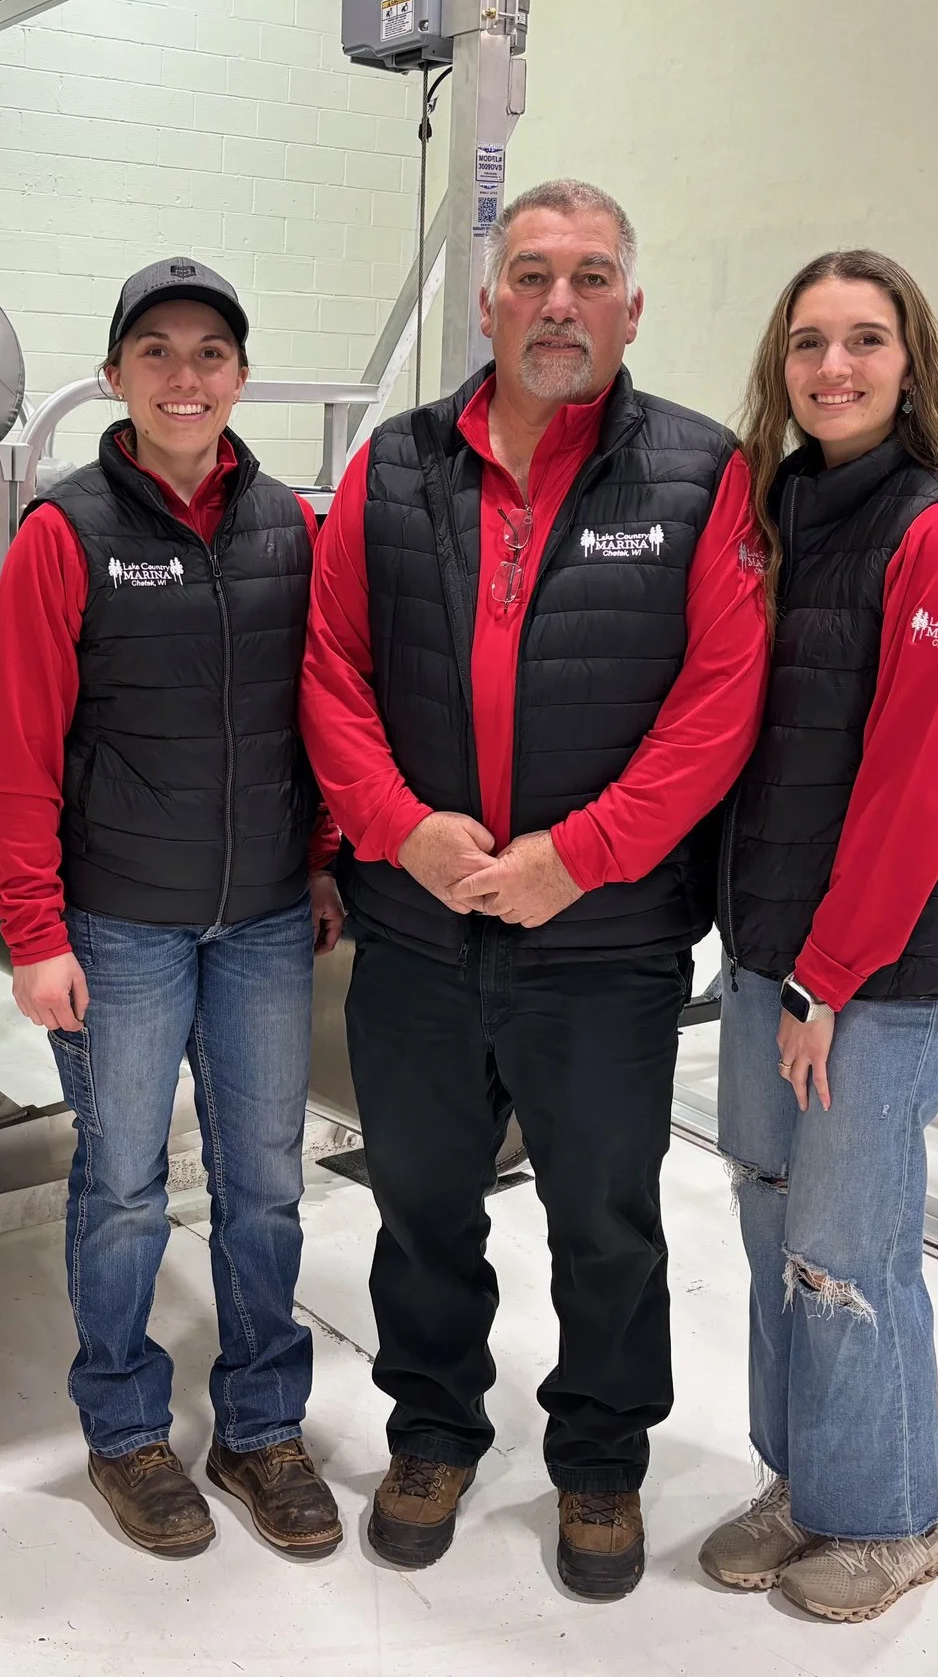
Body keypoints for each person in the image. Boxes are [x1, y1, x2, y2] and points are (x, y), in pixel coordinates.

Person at [299, 179, 770, 1598]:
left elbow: (720, 697)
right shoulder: (391, 470)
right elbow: (329, 668)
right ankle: (434, 1427)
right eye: (531, 275)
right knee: (422, 1204)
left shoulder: (703, 471)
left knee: (606, 1220)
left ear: (634, 307)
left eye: (591, 277)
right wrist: (399, 828)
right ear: (489, 300)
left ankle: (602, 1462)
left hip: (605, 939)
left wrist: (584, 854)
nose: (558, 301)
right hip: (417, 932)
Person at [696, 248, 938, 1621]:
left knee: (849, 1247)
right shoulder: (788, 505)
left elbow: (912, 787)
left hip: (883, 970)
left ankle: (892, 1515)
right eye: (807, 343)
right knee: (771, 1217)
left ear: (915, 361)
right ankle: (807, 1482)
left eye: (864, 340)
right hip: (780, 944)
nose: (832, 367)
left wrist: (831, 978)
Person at [0, 258, 348, 1562]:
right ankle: (127, 1429)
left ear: (240, 378)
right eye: (157, 351)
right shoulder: (62, 534)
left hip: (258, 923)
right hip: (122, 928)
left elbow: (316, 723)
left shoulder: (291, 530)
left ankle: (259, 1427)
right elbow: (20, 753)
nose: (184, 377)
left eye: (209, 354)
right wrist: (34, 930)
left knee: (264, 1188)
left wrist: (322, 861)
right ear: (115, 375)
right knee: (126, 1189)